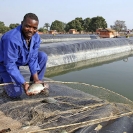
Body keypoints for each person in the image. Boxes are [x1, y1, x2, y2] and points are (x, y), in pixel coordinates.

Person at [0, 13, 48, 98]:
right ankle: (3, 80)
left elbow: (33, 58)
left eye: (34, 28)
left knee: (42, 56)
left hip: (21, 59)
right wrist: (23, 83)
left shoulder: (36, 37)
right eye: (28, 26)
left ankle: (36, 83)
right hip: (5, 63)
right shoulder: (11, 38)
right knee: (15, 94)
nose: (31, 30)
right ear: (22, 23)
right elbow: (10, 64)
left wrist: (36, 79)